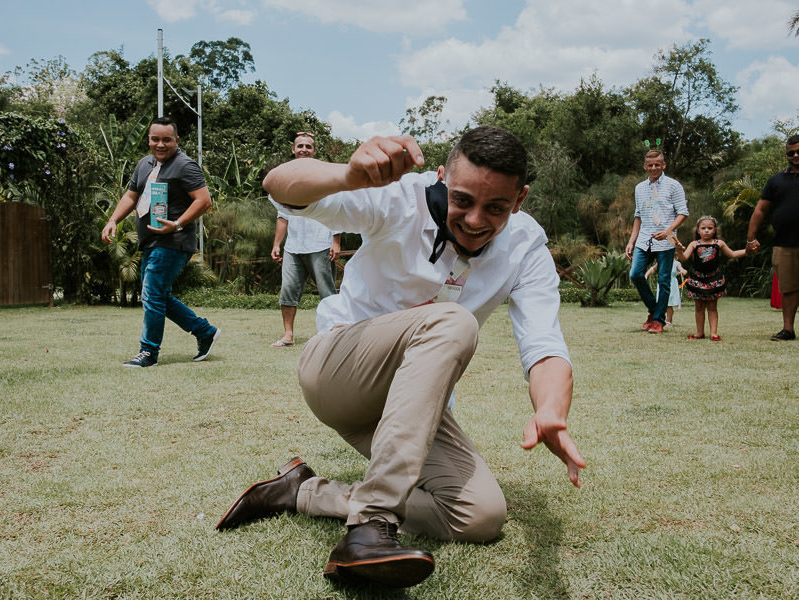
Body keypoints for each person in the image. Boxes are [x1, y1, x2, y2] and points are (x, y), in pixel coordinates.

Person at [215, 126, 585, 589]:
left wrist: (550, 409)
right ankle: (371, 526)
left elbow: (544, 344)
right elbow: (280, 185)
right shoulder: (401, 198)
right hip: (338, 371)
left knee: (479, 515)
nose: (475, 220)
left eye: (496, 208)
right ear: (441, 178)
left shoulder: (526, 247)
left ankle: (302, 491)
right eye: (462, 200)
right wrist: (347, 174)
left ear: (520, 199)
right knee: (454, 321)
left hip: (412, 407)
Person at [101, 117, 220, 367]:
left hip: (174, 241)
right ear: (149, 139)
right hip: (150, 242)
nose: (161, 144)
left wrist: (176, 224)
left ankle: (148, 352)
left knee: (153, 295)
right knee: (157, 296)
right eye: (155, 139)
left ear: (176, 140)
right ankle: (205, 331)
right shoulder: (144, 164)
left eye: (167, 139)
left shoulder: (185, 166)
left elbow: (204, 200)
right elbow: (131, 196)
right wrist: (113, 220)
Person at [746, 134, 799, 343]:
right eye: (791, 153)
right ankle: (788, 329)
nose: (796, 156)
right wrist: (750, 238)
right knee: (788, 289)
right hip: (784, 244)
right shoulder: (776, 180)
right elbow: (761, 209)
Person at [270, 133, 341, 347]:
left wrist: (336, 241)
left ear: (314, 151)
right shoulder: (286, 178)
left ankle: (334, 333)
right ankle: (288, 336)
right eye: (300, 146)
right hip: (293, 247)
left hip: (321, 244)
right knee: (288, 291)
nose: (303, 149)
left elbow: (336, 210)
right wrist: (276, 244)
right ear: (293, 150)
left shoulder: (324, 176)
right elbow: (283, 216)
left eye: (308, 146)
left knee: (327, 292)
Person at [625, 149, 689, 333]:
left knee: (664, 280)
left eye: (657, 164)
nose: (654, 168)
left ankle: (659, 321)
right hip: (644, 239)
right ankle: (654, 310)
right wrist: (631, 241)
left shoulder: (674, 186)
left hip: (667, 239)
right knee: (635, 274)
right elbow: (638, 216)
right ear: (645, 166)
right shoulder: (639, 188)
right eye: (650, 165)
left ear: (663, 165)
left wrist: (668, 231)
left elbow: (683, 212)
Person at [674, 216, 746, 341]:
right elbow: (684, 258)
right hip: (697, 279)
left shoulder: (719, 243)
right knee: (699, 307)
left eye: (710, 228)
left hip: (713, 279)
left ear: (715, 230)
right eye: (703, 228)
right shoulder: (694, 244)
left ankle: (714, 333)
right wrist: (679, 251)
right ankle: (699, 333)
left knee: (712, 307)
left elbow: (732, 254)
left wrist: (747, 251)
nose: (706, 230)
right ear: (698, 230)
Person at [646, 258, 687, 327]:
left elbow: (681, 269)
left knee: (669, 303)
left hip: (672, 284)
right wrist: (646, 275)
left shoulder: (676, 263)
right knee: (661, 302)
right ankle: (661, 319)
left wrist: (683, 271)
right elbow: (653, 269)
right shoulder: (661, 261)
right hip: (662, 283)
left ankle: (668, 321)